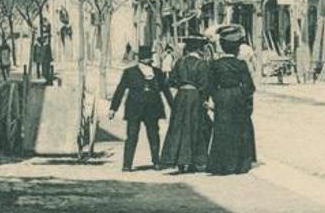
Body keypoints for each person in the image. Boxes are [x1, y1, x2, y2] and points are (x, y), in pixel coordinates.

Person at [109, 45, 173, 172]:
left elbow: (166, 90)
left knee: (154, 135)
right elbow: (120, 90)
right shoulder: (130, 72)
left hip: (153, 109)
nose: (149, 60)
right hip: (134, 109)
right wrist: (113, 108)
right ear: (142, 59)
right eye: (147, 58)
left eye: (149, 57)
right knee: (132, 135)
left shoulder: (157, 73)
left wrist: (173, 106)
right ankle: (127, 164)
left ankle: (156, 161)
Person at [207, 25, 256, 176]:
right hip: (237, 97)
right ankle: (239, 165)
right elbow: (249, 87)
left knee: (222, 129)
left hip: (222, 96)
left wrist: (217, 97)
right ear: (237, 48)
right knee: (239, 129)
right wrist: (242, 95)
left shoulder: (215, 65)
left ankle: (222, 165)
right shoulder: (241, 64)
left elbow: (210, 85)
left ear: (221, 46)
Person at [160, 37, 211, 174]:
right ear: (199, 49)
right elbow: (205, 85)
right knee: (195, 126)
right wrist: (205, 99)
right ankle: (196, 161)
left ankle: (178, 161)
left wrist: (181, 85)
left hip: (181, 97)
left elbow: (171, 81)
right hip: (195, 97)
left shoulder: (179, 62)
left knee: (178, 127)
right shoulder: (202, 64)